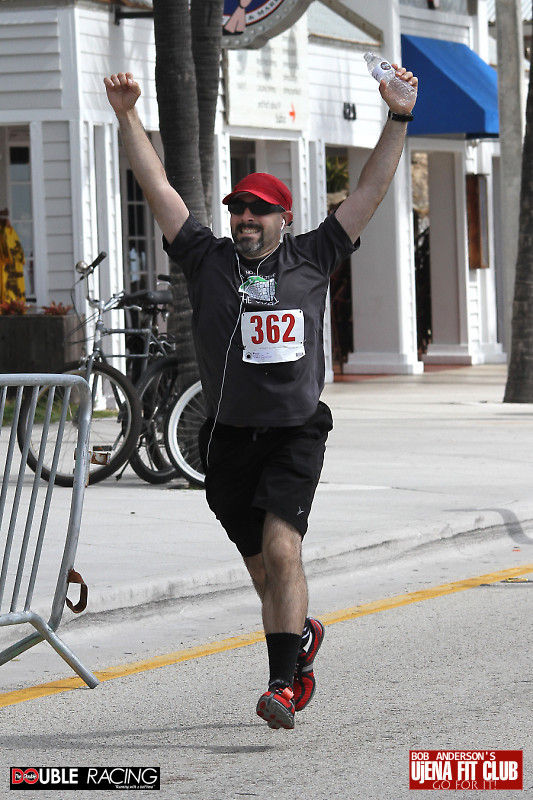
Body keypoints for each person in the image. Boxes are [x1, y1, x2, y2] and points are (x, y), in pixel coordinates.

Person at [104, 64, 418, 730]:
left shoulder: (314, 254)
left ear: (283, 217)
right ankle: (298, 636)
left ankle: (283, 685)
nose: (244, 218)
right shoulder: (206, 258)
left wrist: (397, 116)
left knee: (282, 551)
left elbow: (370, 187)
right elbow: (157, 187)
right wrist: (128, 114)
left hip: (294, 431)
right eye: (237, 209)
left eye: (258, 209)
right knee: (265, 572)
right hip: (226, 438)